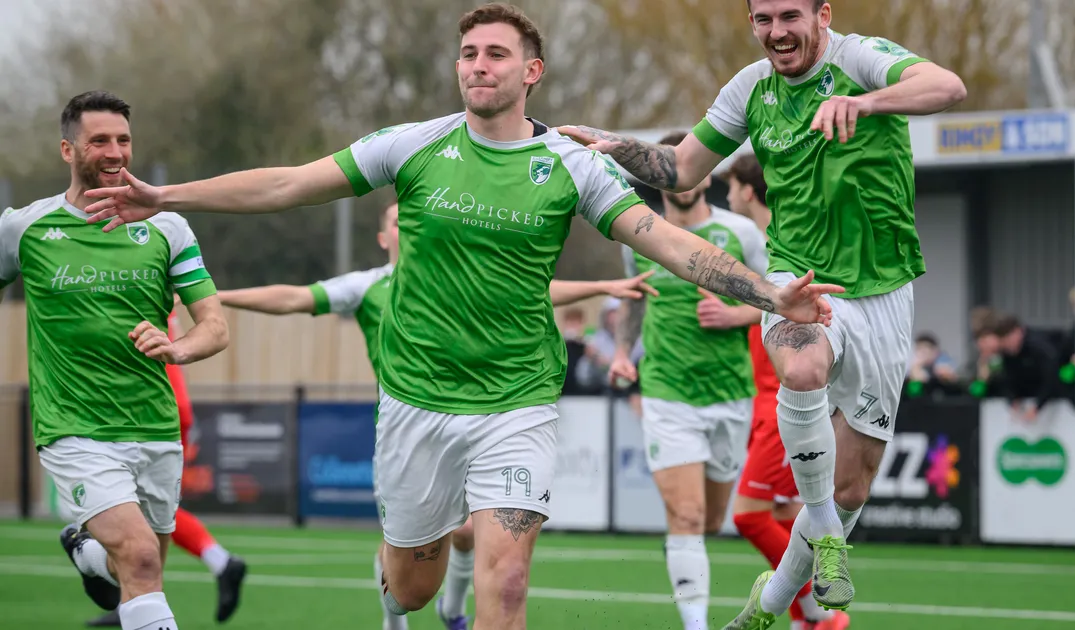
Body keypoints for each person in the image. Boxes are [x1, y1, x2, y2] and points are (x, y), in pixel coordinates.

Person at [79, 4, 840, 628]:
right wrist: (166, 196)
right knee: (412, 588)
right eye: (469, 54)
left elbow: (666, 241)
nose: (479, 65)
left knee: (505, 585)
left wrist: (769, 295)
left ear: (531, 72)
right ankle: (397, 587)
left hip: (518, 402)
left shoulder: (572, 166)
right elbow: (287, 184)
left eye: (497, 55)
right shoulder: (413, 145)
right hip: (416, 402)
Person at [558, 0, 967, 625]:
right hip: (798, 276)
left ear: (822, 14)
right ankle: (826, 537)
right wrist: (615, 147)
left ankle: (769, 603)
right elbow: (681, 167)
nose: (776, 31)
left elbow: (947, 86)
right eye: (763, 19)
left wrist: (866, 103)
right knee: (801, 370)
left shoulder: (859, 58)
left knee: (854, 486)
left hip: (884, 290)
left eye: (789, 16)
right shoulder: (749, 88)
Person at [216, 200, 657, 630]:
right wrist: (214, 296)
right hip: (409, 434)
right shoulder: (367, 287)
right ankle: (395, 622)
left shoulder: (458, 272)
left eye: (411, 216)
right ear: (383, 237)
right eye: (396, 221)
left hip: (481, 420)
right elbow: (294, 297)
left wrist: (602, 287)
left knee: (467, 533)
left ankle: (454, 610)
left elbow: (535, 288)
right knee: (402, 565)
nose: (405, 225)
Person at [0, 90, 229, 630]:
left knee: (142, 567)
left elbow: (215, 327)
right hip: (74, 429)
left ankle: (88, 554)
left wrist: (178, 348)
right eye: (99, 140)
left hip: (155, 426)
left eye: (123, 139)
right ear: (68, 150)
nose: (114, 152)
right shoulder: (24, 229)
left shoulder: (167, 226)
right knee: (142, 557)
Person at [608, 130, 767, 630]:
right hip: (666, 392)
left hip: (729, 391)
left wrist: (734, 315)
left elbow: (776, 302)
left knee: (710, 521)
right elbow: (635, 302)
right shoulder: (640, 234)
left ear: (704, 175)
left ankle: (681, 548)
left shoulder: (741, 233)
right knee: (688, 518)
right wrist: (622, 353)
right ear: (657, 178)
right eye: (668, 170)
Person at [723, 154, 848, 630]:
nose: (726, 195)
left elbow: (795, 306)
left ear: (747, 190)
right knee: (788, 511)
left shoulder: (773, 243)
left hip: (788, 398)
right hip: (767, 392)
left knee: (749, 516)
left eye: (730, 186)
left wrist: (733, 314)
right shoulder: (767, 238)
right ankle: (809, 618)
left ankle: (817, 613)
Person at [85, 307, 248, 628]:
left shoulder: (129, 287)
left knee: (136, 508)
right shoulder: (150, 286)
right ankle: (133, 598)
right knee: (146, 510)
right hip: (162, 404)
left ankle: (219, 562)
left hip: (151, 408)